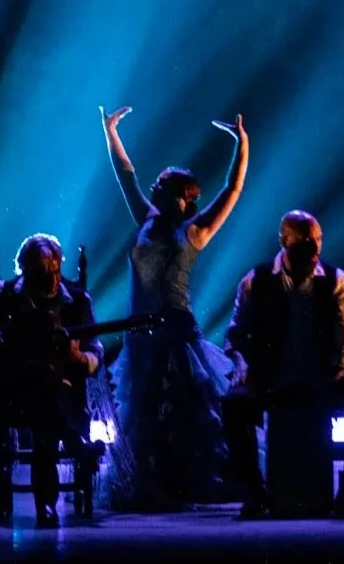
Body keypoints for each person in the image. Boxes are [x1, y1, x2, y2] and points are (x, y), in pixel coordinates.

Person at [101, 105, 248, 509]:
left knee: (186, 414)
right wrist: (110, 131)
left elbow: (232, 190)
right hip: (143, 335)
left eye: (164, 185)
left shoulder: (195, 230)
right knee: (146, 415)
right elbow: (126, 175)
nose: (155, 187)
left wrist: (241, 143)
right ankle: (152, 485)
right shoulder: (146, 220)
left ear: (183, 197)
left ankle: (187, 483)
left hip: (177, 333)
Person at [221, 210, 344, 519]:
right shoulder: (256, 280)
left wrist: (337, 374)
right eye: (305, 241)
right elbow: (235, 335)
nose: (314, 248)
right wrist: (243, 367)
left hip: (323, 376)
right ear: (284, 241)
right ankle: (255, 492)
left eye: (317, 240)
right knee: (233, 406)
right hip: (272, 377)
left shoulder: (336, 280)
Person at [0, 234, 104, 526]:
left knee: (46, 400)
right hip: (15, 395)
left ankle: (47, 505)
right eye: (42, 274)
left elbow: (94, 349)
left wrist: (80, 359)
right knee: (42, 388)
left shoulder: (76, 301)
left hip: (64, 396)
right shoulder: (2, 295)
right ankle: (72, 457)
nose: (52, 281)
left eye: (55, 272)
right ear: (24, 271)